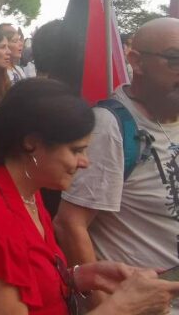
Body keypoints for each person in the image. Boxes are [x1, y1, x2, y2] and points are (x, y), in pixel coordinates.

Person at [0, 78, 179, 315]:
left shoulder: (26, 194)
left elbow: (29, 278)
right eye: (76, 150)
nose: (85, 162)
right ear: (32, 144)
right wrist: (124, 307)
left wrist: (80, 276)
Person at [55, 17, 179, 311]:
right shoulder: (109, 127)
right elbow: (70, 223)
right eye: (174, 60)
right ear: (136, 61)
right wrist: (107, 308)